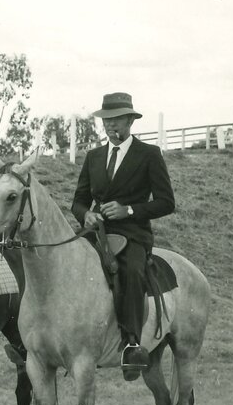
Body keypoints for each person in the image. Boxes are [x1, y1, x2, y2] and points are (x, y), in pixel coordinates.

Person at [72, 92, 175, 382]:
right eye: (106, 120)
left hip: (132, 233)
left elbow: (166, 202)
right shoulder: (93, 157)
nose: (109, 125)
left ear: (130, 120)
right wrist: (85, 215)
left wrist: (128, 210)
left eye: (116, 119)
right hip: (96, 232)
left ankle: (131, 344)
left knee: (130, 270)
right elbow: (78, 200)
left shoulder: (149, 155)